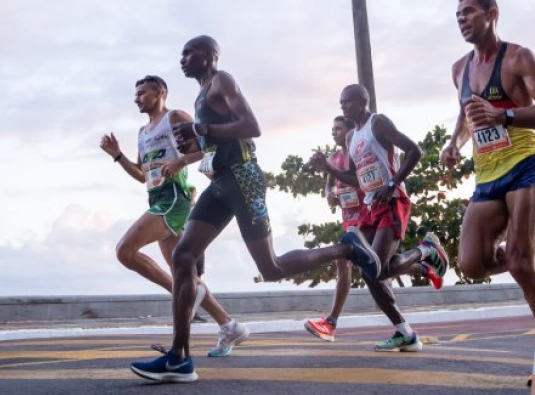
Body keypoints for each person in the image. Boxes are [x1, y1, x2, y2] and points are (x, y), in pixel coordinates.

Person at [129, 37, 379, 383]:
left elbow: (252, 127)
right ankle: (179, 358)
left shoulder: (222, 81)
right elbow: (216, 141)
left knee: (272, 267)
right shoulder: (202, 93)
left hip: (244, 180)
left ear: (210, 55)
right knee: (183, 256)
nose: (182, 58)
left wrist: (202, 129)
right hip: (220, 183)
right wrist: (194, 147)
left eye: (190, 52)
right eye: (181, 53)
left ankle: (347, 248)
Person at [439, 0, 535, 322]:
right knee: (472, 264)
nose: (461, 19)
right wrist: (453, 145)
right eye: (458, 14)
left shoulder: (518, 58)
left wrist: (504, 116)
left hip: (524, 164)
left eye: (469, 12)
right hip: (487, 173)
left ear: (492, 15)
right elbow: (467, 116)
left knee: (519, 265)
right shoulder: (460, 69)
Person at [99, 75, 247, 359]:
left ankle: (183, 294)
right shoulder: (143, 132)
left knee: (124, 251)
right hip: (156, 198)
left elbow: (208, 147)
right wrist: (118, 156)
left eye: (142, 92)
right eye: (135, 93)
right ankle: (230, 325)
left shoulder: (175, 117)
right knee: (186, 271)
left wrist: (181, 160)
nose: (136, 98)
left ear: (160, 92)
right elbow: (142, 175)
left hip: (174, 199)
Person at [309, 84, 449, 352]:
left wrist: (393, 183)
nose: (343, 107)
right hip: (371, 205)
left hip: (393, 200)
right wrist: (327, 168)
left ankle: (426, 250)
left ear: (362, 101)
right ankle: (404, 333)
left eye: (346, 102)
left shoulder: (378, 122)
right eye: (340, 103)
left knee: (373, 269)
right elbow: (355, 179)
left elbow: (414, 151)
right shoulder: (352, 137)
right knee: (371, 271)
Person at [303, 116, 364, 342]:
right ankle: (331, 322)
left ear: (349, 131)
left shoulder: (357, 153)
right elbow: (329, 183)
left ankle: (423, 263)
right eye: (332, 129)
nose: (334, 132)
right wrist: (329, 193)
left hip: (368, 217)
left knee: (378, 267)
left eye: (338, 128)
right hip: (348, 219)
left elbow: (360, 180)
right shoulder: (334, 158)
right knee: (344, 263)